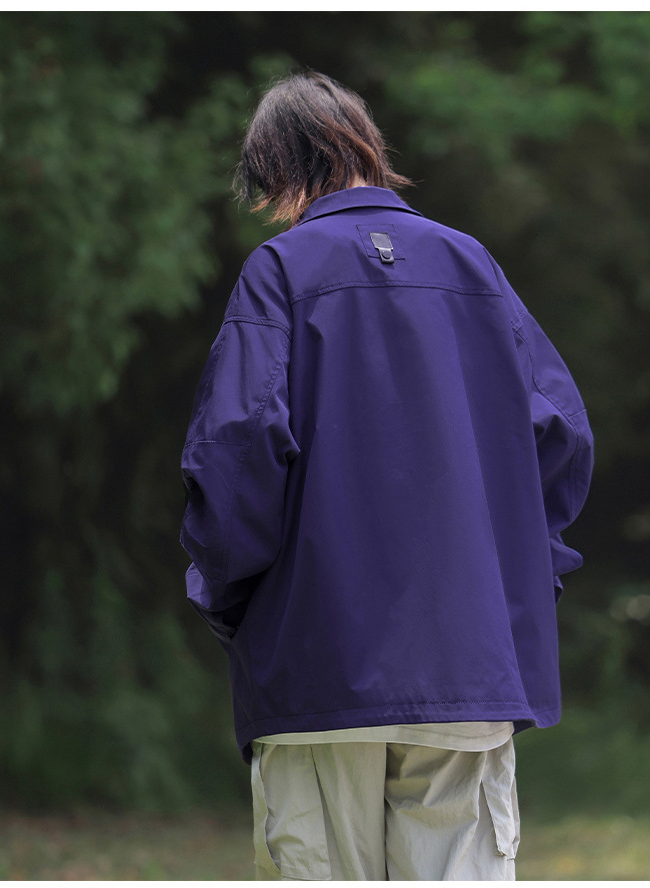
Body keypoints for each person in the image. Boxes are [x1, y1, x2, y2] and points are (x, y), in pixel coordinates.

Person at [180, 70, 593, 881]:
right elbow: (562, 437)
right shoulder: (473, 266)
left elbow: (236, 451)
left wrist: (228, 597)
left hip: (315, 663)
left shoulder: (280, 271)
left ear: (278, 169)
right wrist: (514, 579)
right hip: (469, 664)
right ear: (366, 148)